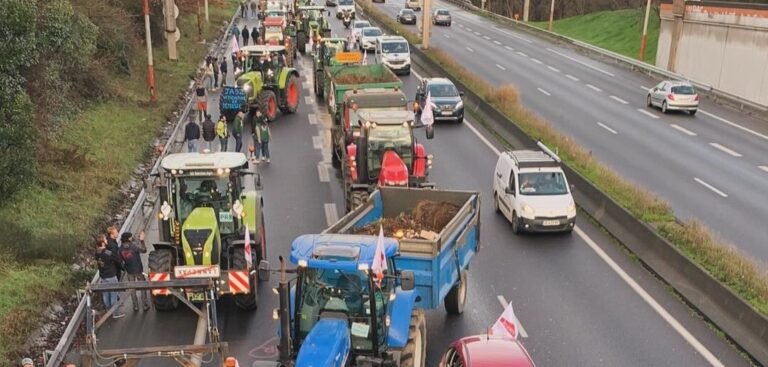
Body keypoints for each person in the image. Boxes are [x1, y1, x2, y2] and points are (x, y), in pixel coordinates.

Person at [118, 231, 151, 312]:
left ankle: (135, 306)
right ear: (129, 238)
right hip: (139, 270)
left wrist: (125, 267)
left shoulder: (120, 248)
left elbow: (120, 261)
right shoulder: (134, 246)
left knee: (132, 288)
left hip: (129, 271)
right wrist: (142, 241)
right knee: (143, 287)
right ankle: (144, 305)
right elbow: (144, 250)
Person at [95, 235, 124, 318]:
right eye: (105, 239)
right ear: (103, 242)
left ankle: (108, 312)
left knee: (106, 295)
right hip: (111, 276)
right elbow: (117, 260)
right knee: (113, 295)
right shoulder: (107, 253)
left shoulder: (97, 252)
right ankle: (115, 313)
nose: (107, 240)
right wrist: (122, 266)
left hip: (103, 276)